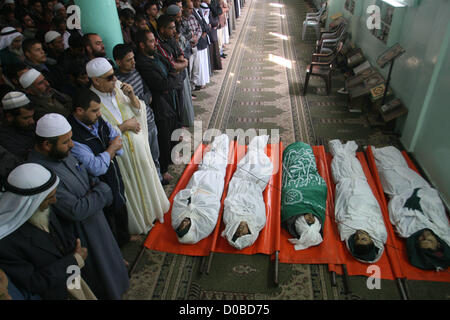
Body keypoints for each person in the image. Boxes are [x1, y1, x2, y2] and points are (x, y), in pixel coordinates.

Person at [28, 113, 129, 299]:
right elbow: (76, 210)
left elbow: (92, 178)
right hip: (80, 234)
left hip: (96, 220)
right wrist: (103, 191)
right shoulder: (39, 173)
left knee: (111, 265)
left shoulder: (63, 153)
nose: (72, 145)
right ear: (46, 145)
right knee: (100, 279)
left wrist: (97, 191)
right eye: (66, 142)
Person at [87, 57, 170, 235]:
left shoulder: (118, 88)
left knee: (147, 178)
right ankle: (141, 222)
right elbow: (96, 134)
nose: (115, 80)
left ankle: (154, 213)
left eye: (114, 75)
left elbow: (138, 111)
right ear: (96, 81)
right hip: (121, 157)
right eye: (109, 78)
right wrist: (123, 127)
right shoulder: (91, 101)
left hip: (138, 148)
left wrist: (132, 96)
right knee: (132, 187)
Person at [0, 163, 96, 300]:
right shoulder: (5, 242)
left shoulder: (41, 208)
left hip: (73, 279)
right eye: (49, 197)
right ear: (29, 202)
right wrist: (75, 259)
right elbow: (33, 282)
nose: (54, 201)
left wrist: (73, 247)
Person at [69, 88, 131, 248]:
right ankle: (116, 254)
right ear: (79, 111)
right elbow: (96, 168)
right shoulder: (74, 137)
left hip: (113, 174)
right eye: (94, 110)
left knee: (120, 203)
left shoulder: (97, 120)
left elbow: (116, 139)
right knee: (108, 218)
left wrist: (109, 152)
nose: (99, 114)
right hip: (98, 185)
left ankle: (125, 240)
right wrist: (110, 150)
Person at [371, 145, 450, 270]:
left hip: (400, 194)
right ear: (438, 243)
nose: (424, 236)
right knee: (404, 169)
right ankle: (388, 148)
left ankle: (376, 152)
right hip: (422, 191)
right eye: (429, 240)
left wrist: (404, 201)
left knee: (388, 173)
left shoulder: (406, 230)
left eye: (421, 240)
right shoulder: (443, 230)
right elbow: (436, 206)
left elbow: (395, 213)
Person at [113, 44, 166, 184]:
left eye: (133, 58)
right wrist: (140, 102)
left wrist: (146, 99)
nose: (133, 62)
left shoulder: (136, 72)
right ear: (118, 62)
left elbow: (146, 91)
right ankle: (151, 184)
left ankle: (159, 179)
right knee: (144, 158)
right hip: (137, 126)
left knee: (154, 154)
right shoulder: (118, 83)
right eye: (128, 60)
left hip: (149, 118)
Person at [134, 29, 183, 182]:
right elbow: (160, 84)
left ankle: (172, 156)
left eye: (154, 40)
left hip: (170, 98)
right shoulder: (142, 62)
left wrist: (172, 78)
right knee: (162, 137)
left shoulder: (156, 55)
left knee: (173, 129)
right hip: (159, 104)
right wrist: (173, 79)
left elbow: (171, 68)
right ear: (142, 45)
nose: (154, 43)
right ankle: (162, 170)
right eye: (150, 41)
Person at [329, 139, 387, 263]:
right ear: (372, 240)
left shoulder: (346, 231)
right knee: (354, 166)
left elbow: (341, 214)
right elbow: (376, 214)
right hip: (363, 192)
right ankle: (348, 152)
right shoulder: (379, 231)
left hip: (345, 190)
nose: (359, 235)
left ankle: (339, 151)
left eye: (357, 239)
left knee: (341, 166)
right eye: (364, 239)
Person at [172, 134, 229, 243]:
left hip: (197, 182)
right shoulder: (206, 226)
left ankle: (215, 143)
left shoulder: (176, 220)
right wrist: (194, 204)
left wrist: (191, 199)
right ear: (191, 229)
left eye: (180, 227)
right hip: (212, 185)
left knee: (207, 159)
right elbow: (214, 205)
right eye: (185, 226)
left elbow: (179, 199)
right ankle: (223, 140)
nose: (183, 223)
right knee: (220, 160)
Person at [222, 135, 273, 250]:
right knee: (263, 167)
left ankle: (254, 147)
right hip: (255, 187)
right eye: (243, 233)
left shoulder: (228, 219)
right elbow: (257, 202)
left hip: (239, 184)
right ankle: (258, 147)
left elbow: (230, 201)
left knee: (249, 162)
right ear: (250, 233)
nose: (240, 230)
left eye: (236, 233)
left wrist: (242, 201)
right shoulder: (259, 222)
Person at [281, 142, 327, 250]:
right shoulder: (318, 212)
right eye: (313, 221)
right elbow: (321, 189)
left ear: (299, 222)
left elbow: (288, 189)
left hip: (295, 174)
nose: (311, 216)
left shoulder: (290, 209)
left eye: (308, 221)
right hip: (312, 178)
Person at [0, 91, 35, 160]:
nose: (32, 121)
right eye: (26, 118)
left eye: (32, 116)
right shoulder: (4, 138)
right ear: (10, 117)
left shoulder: (29, 125)